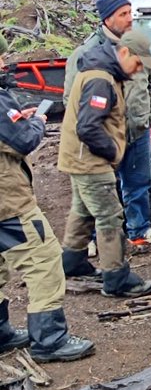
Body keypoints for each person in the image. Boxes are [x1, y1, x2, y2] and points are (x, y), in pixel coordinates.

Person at [0, 36, 94, 362]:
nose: (5, 64)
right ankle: (50, 339)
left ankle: (0, 332)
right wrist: (36, 121)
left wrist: (15, 118)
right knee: (45, 260)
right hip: (8, 203)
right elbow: (23, 140)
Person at [64, 0, 151, 248]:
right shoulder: (87, 52)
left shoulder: (137, 45)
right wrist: (96, 133)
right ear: (107, 18)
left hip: (137, 129)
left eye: (130, 13)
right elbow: (71, 99)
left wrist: (150, 115)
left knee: (139, 183)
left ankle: (139, 230)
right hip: (103, 135)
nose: (129, 19)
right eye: (123, 14)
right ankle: (90, 240)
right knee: (97, 189)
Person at [59, 31, 151, 297]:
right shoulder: (100, 80)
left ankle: (72, 261)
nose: (138, 71)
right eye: (137, 64)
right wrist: (113, 151)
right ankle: (116, 276)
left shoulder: (100, 72)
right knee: (110, 216)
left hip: (78, 158)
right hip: (90, 161)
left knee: (84, 209)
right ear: (124, 53)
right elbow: (88, 127)